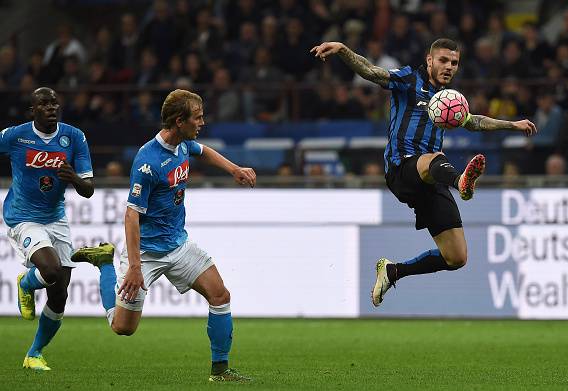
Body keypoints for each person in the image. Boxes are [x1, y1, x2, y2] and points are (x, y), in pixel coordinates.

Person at [310, 39, 537, 307]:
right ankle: (461, 181)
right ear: (429, 61)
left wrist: (511, 125)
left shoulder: (448, 99)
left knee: (456, 257)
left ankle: (394, 271)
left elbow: (473, 121)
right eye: (443, 60)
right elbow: (372, 71)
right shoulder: (408, 79)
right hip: (402, 169)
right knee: (434, 159)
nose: (449, 67)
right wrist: (343, 50)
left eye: (454, 63)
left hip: (432, 177)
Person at [71, 89, 255, 382]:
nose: (202, 122)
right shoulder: (148, 161)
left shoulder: (184, 144)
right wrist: (133, 267)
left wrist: (233, 169)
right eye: (198, 117)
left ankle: (220, 371)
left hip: (178, 245)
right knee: (123, 327)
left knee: (220, 295)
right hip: (146, 254)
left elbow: (203, 151)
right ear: (179, 121)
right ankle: (105, 263)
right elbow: (131, 215)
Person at [0, 87, 111, 371]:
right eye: (43, 104)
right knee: (49, 271)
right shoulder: (15, 135)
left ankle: (34, 353)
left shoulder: (74, 137)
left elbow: (88, 190)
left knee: (60, 293)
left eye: (54, 103)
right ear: (32, 110)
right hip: (22, 216)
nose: (51, 107)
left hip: (56, 217)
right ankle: (26, 283)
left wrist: (74, 176)